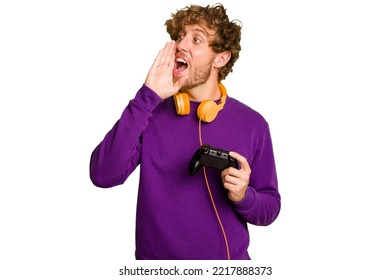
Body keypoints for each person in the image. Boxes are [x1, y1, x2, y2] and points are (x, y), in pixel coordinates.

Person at [90, 3, 281, 260]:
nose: (181, 44)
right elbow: (103, 175)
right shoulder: (149, 113)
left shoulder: (252, 124)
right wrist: (147, 97)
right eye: (179, 36)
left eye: (196, 38)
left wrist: (243, 196)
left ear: (220, 58)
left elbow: (270, 208)